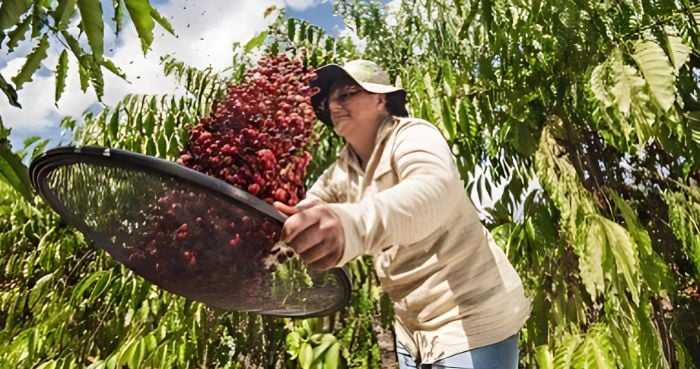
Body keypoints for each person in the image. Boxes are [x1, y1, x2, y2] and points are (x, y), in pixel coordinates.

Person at [273, 60, 531, 369]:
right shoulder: (343, 170)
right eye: (329, 99)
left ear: (380, 99)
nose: (332, 104)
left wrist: (352, 226)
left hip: (472, 319)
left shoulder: (413, 136)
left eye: (346, 94)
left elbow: (433, 190)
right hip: (412, 329)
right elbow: (306, 212)